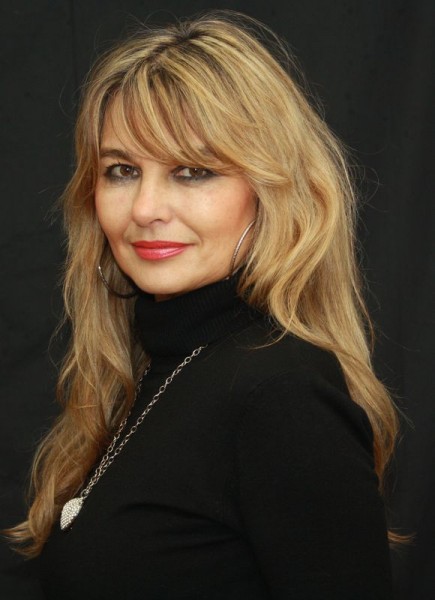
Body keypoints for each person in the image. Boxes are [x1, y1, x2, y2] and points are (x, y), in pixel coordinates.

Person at [7, 10, 398, 599]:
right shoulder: (155, 370)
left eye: (192, 171)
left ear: (269, 192)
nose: (145, 209)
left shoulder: (281, 392)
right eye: (122, 170)